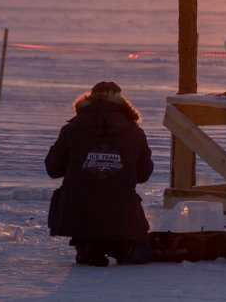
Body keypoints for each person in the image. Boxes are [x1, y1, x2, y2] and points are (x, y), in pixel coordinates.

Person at [45, 81, 154, 266]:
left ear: (89, 99)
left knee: (79, 195)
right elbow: (144, 175)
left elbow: (53, 169)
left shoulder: (71, 130)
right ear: (122, 101)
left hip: (78, 213)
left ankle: (89, 245)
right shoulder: (136, 133)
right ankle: (117, 244)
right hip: (122, 214)